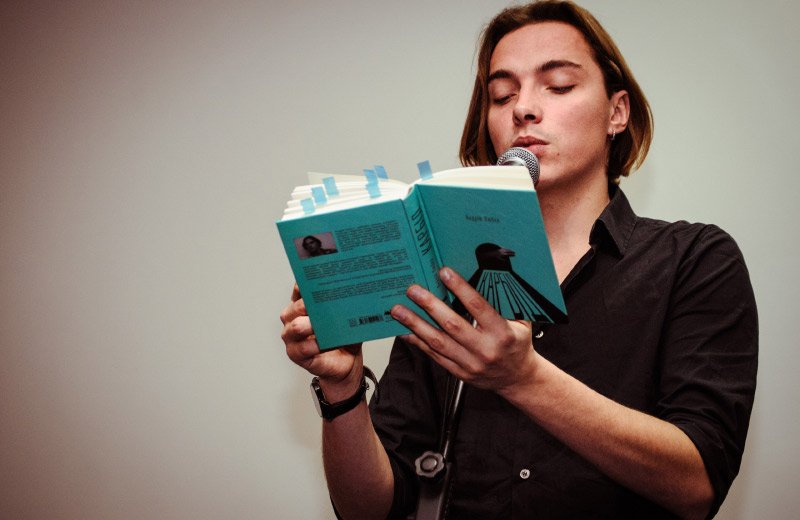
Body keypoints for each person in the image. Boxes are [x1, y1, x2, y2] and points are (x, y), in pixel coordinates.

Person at [281, 1, 758, 518]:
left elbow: (697, 486)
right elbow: (371, 510)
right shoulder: (446, 278)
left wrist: (523, 378)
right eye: (502, 95)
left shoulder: (694, 260)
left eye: (559, 86)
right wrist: (343, 389)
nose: (523, 109)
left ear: (616, 112)